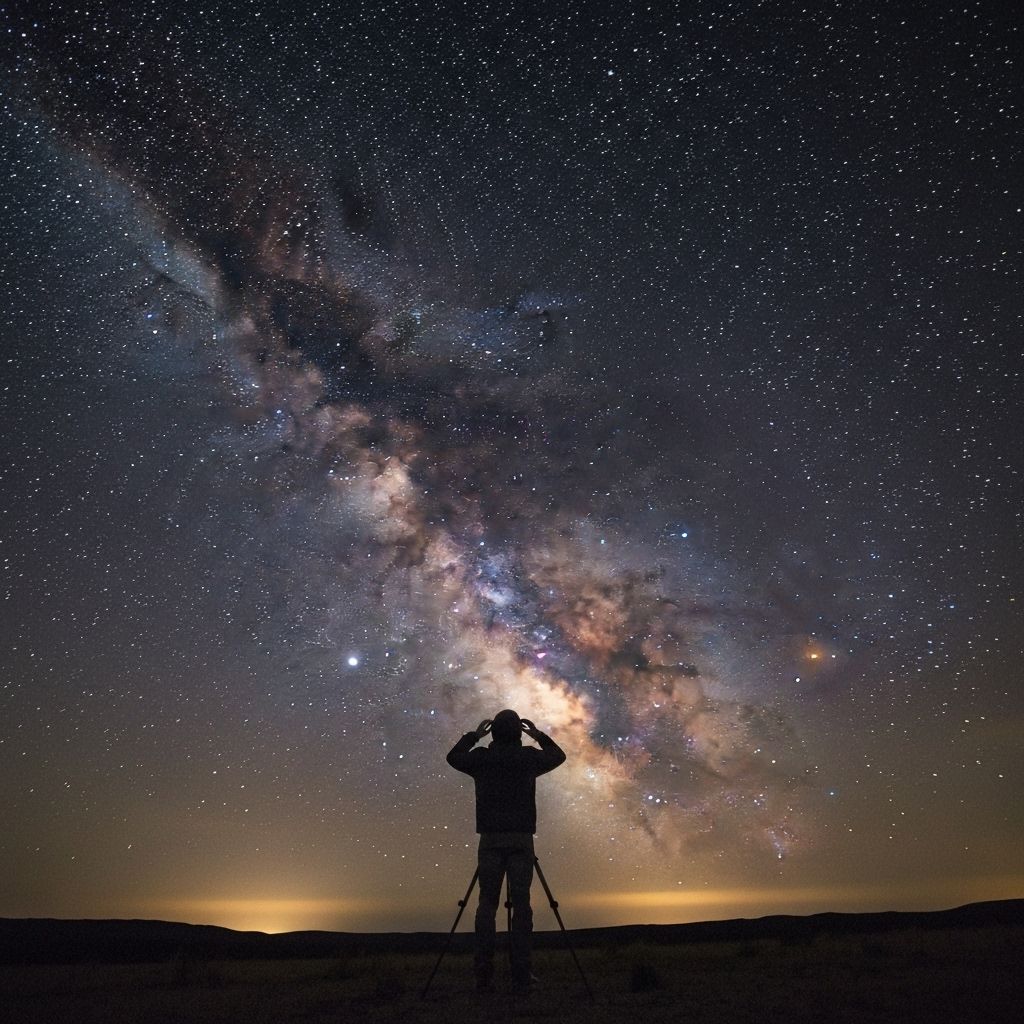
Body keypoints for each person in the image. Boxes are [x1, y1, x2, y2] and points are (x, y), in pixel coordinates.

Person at [446, 709, 566, 992]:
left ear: (495, 732)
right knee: (522, 906)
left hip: (490, 839)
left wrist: (474, 736)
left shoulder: (482, 759)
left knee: (486, 905)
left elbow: (454, 757)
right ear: (517, 733)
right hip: (521, 839)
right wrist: (537, 735)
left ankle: (483, 973)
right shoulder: (527, 758)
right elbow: (558, 756)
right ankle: (521, 973)